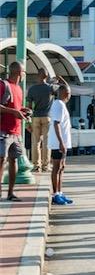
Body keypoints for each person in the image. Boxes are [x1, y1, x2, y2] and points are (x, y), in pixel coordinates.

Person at [0, 62, 32, 201]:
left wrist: (24, 110)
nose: (24, 75)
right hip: (3, 130)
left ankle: (10, 193)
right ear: (20, 73)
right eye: (24, 72)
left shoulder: (19, 89)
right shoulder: (3, 85)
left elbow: (16, 106)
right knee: (2, 161)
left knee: (14, 161)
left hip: (16, 131)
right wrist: (13, 112)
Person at [26, 69, 63, 173]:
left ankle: (36, 166)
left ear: (38, 75)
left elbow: (29, 108)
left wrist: (28, 122)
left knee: (35, 142)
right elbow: (63, 88)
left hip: (35, 117)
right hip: (47, 117)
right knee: (47, 142)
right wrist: (58, 80)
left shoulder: (32, 89)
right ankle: (46, 165)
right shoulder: (50, 88)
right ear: (46, 76)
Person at [48, 85, 74, 205]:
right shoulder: (58, 104)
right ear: (63, 92)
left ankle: (60, 192)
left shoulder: (62, 105)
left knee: (62, 168)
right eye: (68, 93)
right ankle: (55, 194)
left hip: (63, 142)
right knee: (56, 168)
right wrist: (61, 142)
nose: (69, 95)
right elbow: (56, 124)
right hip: (58, 143)